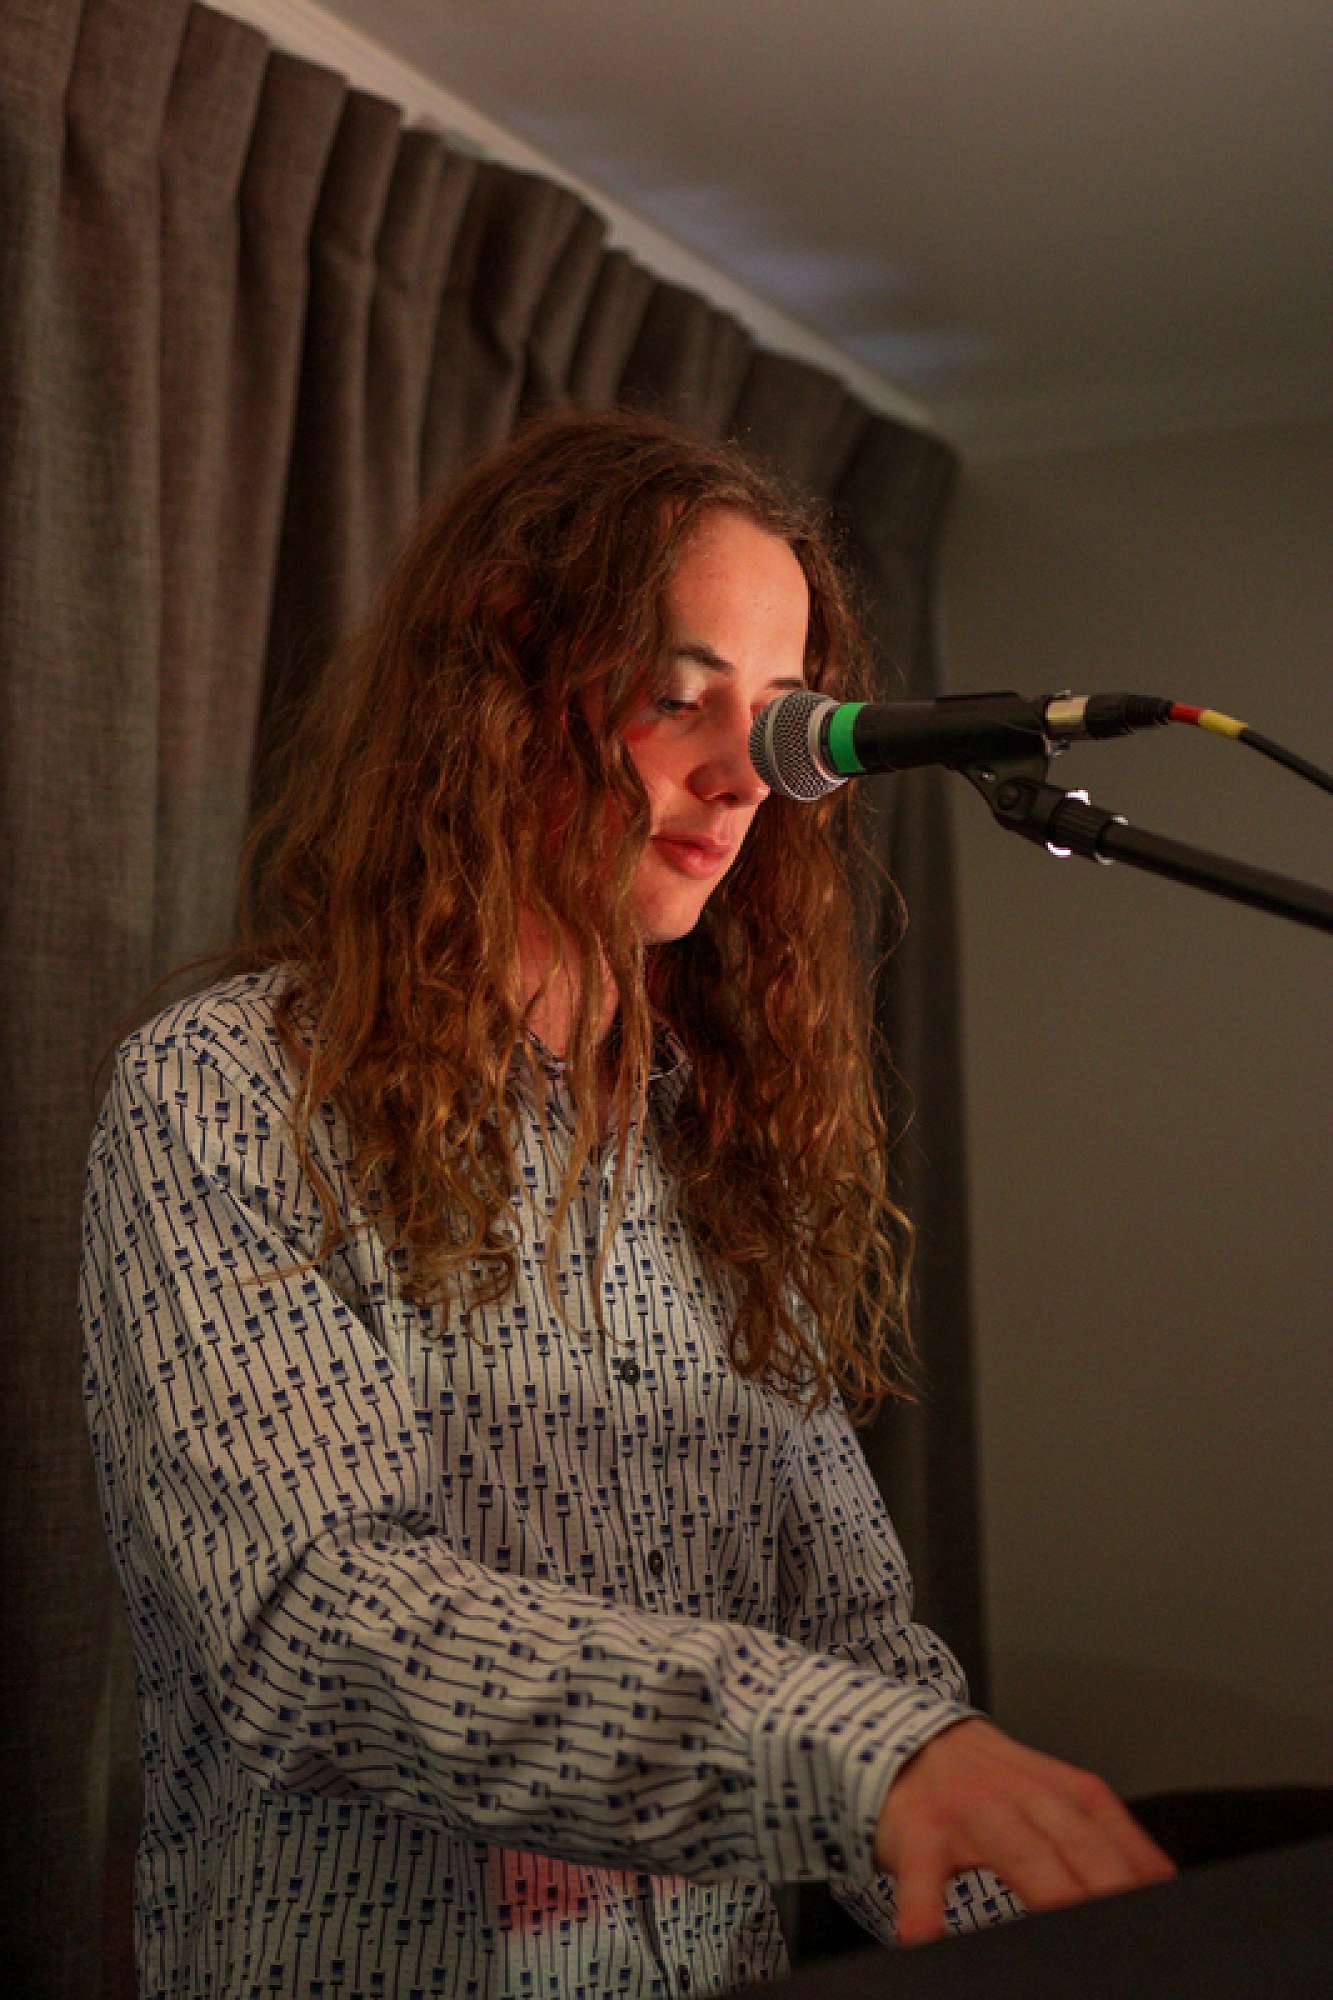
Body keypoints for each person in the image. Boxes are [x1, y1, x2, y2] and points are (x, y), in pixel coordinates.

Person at [81, 409, 1173, 1999]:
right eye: (677, 697)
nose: (742, 773)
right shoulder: (232, 1087)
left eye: (780, 714)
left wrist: (1052, 1906)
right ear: (497, 692)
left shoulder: (716, 1134)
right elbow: (316, 1629)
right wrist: (858, 1757)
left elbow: (846, 1630)